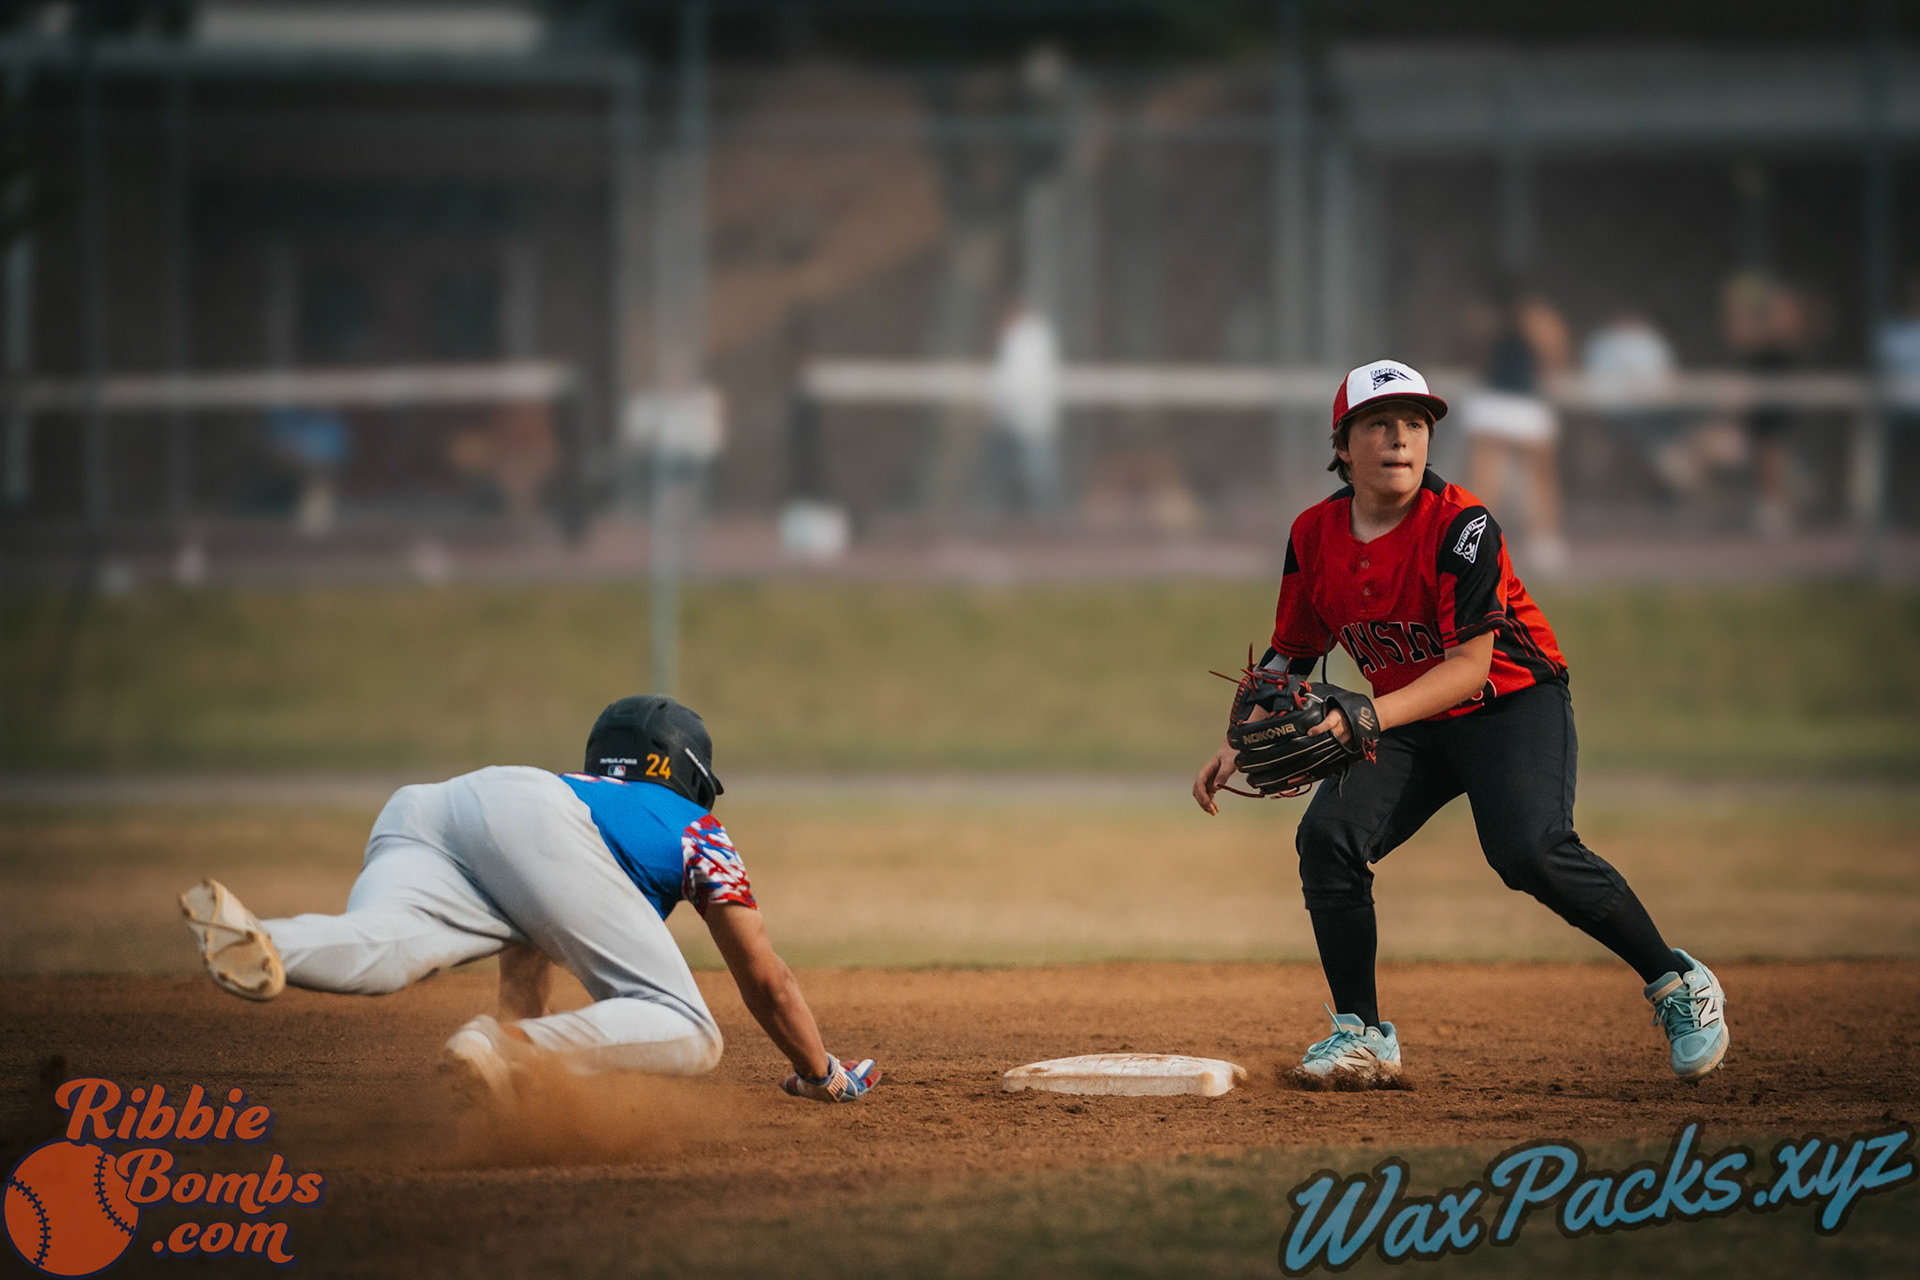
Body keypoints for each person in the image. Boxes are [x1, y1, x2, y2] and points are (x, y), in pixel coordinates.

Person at [1191, 359, 1728, 1088]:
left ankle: (1676, 982)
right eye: (1379, 424)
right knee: (1328, 837)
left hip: (1510, 702)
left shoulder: (1463, 526)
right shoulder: (1314, 534)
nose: (1400, 438)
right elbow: (1294, 647)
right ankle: (1362, 1035)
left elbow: (1470, 667)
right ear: (1343, 445)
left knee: (1529, 851)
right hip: (1407, 716)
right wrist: (1234, 736)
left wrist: (1367, 718)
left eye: (1415, 423)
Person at [179, 696, 881, 1107]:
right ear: (688, 772)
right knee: (690, 1030)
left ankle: (268, 939)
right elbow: (765, 978)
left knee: (387, 943)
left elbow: (530, 947)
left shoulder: (579, 795)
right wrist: (823, 1073)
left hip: (435, 807)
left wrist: (504, 1075)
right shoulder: (695, 824)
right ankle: (504, 1048)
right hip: (535, 825)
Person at [1460, 286, 1571, 574]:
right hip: (1493, 400)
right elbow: (1474, 359)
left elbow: (1554, 360)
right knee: (1487, 475)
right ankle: (1478, 544)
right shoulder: (1484, 320)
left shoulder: (1539, 321)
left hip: (1524, 402)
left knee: (1538, 473)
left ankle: (1542, 541)